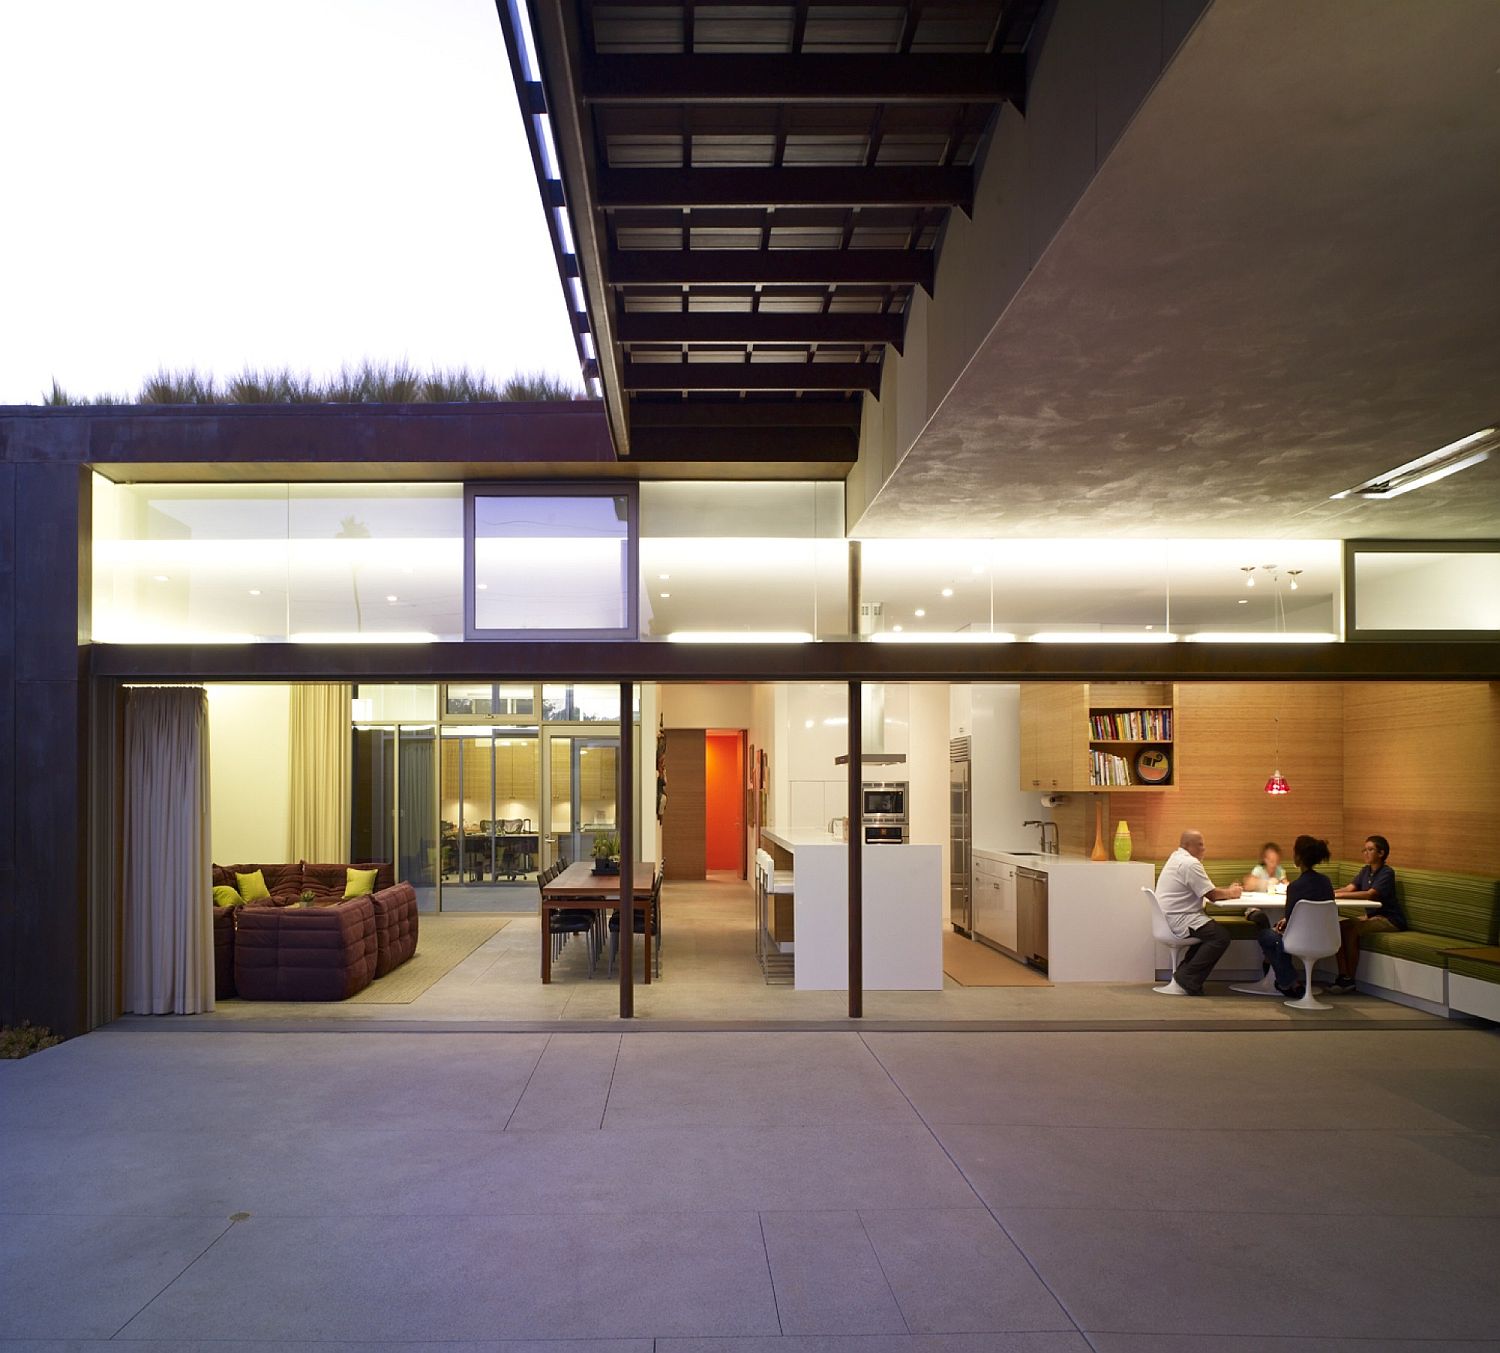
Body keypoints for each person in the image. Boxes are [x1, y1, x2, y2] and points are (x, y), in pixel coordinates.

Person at [1245, 834, 1335, 997]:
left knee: (1268, 935)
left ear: (1298, 857)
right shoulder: (1326, 882)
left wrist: (1285, 922)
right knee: (1278, 935)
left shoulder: (1295, 887)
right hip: (1327, 938)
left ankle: (1288, 982)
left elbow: (1292, 920)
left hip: (1300, 938)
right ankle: (1290, 982)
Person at [1154, 828, 1241, 995]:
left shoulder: (1176, 857)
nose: (1204, 849)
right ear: (1187, 845)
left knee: (1211, 932)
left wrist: (1227, 891)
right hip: (1180, 918)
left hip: (1169, 917)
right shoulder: (1190, 864)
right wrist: (1232, 892)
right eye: (1200, 845)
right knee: (1219, 936)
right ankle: (1187, 978)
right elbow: (1213, 895)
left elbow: (1207, 890)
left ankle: (1186, 975)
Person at [1330, 834, 1404, 993]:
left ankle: (1351, 978)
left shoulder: (1387, 873)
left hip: (1389, 919)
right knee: (1337, 928)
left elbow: (1370, 894)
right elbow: (1350, 888)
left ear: (1381, 853)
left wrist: (1339, 896)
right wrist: (1330, 892)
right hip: (1372, 916)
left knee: (1352, 930)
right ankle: (1343, 975)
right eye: (1365, 849)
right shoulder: (1365, 871)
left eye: (1370, 850)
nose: (1366, 853)